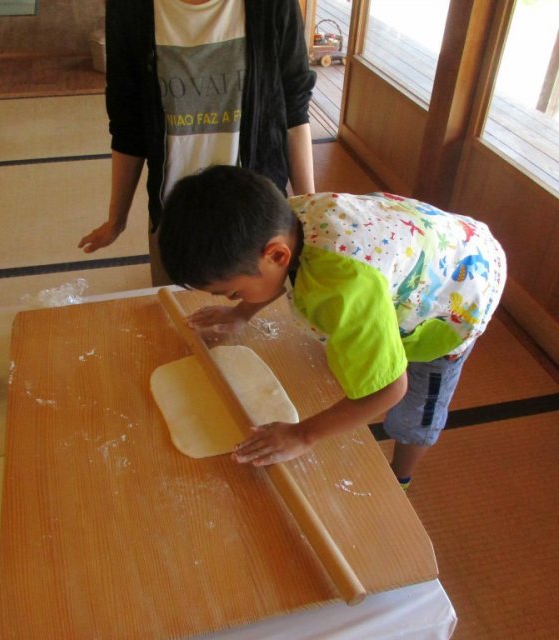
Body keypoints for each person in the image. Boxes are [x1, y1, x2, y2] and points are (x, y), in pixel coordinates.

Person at [158, 165, 507, 489]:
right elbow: (276, 271)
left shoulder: (342, 289)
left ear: (277, 255)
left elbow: (388, 390)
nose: (233, 299)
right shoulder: (279, 222)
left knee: (414, 414)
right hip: (422, 244)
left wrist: (302, 435)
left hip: (460, 292)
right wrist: (242, 314)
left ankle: (401, 476)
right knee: (360, 351)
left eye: (234, 293)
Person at [78, 0, 316, 285]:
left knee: (258, 322)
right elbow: (128, 123)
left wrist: (310, 211)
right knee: (176, 322)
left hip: (257, 219)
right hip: (175, 220)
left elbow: (294, 111)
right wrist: (116, 219)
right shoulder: (130, 8)